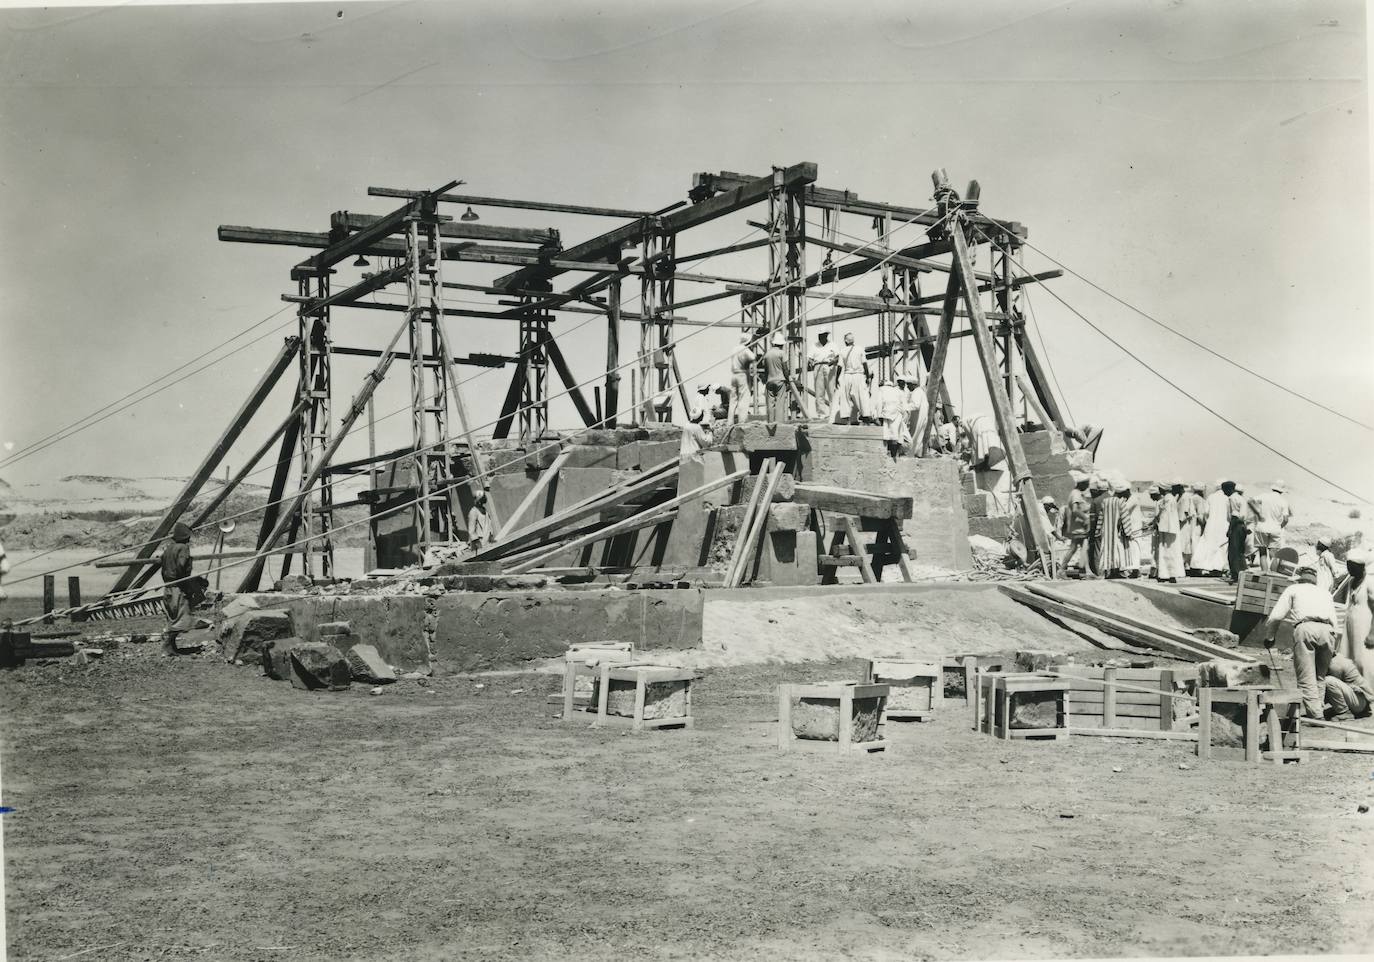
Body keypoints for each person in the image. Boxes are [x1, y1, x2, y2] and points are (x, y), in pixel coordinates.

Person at [1264, 562, 1338, 718]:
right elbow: (1335, 620)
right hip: (1328, 630)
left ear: (1299, 579)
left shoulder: (1293, 589)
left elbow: (1276, 616)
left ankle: (1316, 715)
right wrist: (1334, 642)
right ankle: (1318, 708)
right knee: (1320, 675)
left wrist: (1270, 637)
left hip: (1306, 628)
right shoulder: (1325, 593)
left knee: (1306, 676)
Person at [160, 521, 195, 657]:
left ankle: (172, 647)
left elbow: (163, 567)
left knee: (172, 617)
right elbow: (181, 567)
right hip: (178, 587)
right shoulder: (183, 548)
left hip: (168, 587)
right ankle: (167, 646)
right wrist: (187, 584)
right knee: (181, 617)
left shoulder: (169, 548)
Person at [1341, 548, 1374, 680]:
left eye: (1352, 567)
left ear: (1360, 567)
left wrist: (1372, 633)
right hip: (1350, 625)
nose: (1349, 570)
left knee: (1363, 660)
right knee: (1348, 657)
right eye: (1348, 566)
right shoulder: (1351, 581)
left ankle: (1369, 689)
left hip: (1364, 626)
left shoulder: (1370, 582)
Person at [832, 332, 872, 425]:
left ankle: (846, 416)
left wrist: (836, 379)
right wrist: (867, 376)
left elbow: (839, 366)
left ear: (845, 341)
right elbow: (865, 364)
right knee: (862, 395)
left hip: (847, 375)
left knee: (846, 396)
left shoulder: (842, 351)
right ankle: (865, 415)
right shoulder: (860, 349)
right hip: (859, 375)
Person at [1192, 480, 1230, 576]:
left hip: (1211, 524)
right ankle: (1219, 568)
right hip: (1224, 525)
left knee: (1208, 544)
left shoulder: (1211, 497)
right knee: (1222, 546)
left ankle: (1203, 566)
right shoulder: (1227, 498)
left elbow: (1206, 513)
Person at [1151, 481, 1185, 583]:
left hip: (1168, 529)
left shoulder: (1168, 499)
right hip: (1167, 529)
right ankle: (1166, 574)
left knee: (1169, 552)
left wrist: (1158, 524)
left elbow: (1166, 516)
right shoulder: (1168, 499)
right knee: (1167, 552)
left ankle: (1170, 574)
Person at [1324, 654, 1374, 721]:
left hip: (1360, 702)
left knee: (1328, 681)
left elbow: (1327, 689)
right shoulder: (1332, 658)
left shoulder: (1335, 662)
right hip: (1358, 701)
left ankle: (1345, 713)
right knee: (1326, 712)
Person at [1063, 471, 1093, 576]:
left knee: (1078, 548)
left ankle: (1086, 571)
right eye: (1087, 484)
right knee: (1077, 548)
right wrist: (1086, 518)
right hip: (1078, 527)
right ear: (1082, 484)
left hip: (1078, 527)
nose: (1088, 486)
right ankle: (1062, 570)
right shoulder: (1076, 494)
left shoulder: (1075, 493)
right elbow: (1075, 510)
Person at [1117, 479, 1145, 579]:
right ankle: (1133, 569)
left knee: (1135, 549)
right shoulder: (1128, 499)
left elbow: (1123, 510)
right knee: (1131, 550)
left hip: (1134, 528)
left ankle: (1136, 570)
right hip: (1129, 528)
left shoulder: (1133, 499)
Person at [760, 333, 791, 422]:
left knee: (770, 404)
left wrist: (766, 380)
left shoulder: (767, 354)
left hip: (770, 381)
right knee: (779, 403)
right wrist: (788, 380)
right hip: (780, 380)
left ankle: (770, 422)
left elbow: (766, 370)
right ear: (781, 344)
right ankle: (779, 423)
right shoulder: (782, 353)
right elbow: (785, 368)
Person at [809, 331, 838, 420]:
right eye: (819, 335)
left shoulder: (832, 344)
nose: (820, 337)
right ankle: (821, 414)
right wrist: (811, 362)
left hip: (829, 366)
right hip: (818, 366)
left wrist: (833, 361)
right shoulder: (814, 345)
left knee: (831, 391)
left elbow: (838, 356)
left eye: (822, 335)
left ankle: (833, 413)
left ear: (826, 336)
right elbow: (810, 358)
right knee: (819, 392)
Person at [727, 332, 756, 424]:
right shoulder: (745, 349)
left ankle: (730, 421)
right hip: (742, 374)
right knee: (743, 398)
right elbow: (753, 357)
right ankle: (742, 421)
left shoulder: (734, 349)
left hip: (734, 375)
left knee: (733, 399)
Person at [1223, 480, 1248, 582]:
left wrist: (1230, 529)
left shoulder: (1232, 498)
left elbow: (1235, 516)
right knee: (1240, 551)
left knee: (1233, 552)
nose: (1224, 493)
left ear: (1229, 489)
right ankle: (1241, 573)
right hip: (1242, 526)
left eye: (1224, 490)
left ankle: (1235, 575)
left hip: (1236, 525)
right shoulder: (1240, 498)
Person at [1086, 475, 1109, 579]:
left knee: (1098, 551)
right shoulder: (1114, 499)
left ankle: (1099, 573)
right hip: (1112, 531)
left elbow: (1092, 520)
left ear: (1099, 490)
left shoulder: (1096, 501)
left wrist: (1091, 532)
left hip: (1099, 530)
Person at [1176, 481, 1197, 572]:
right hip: (1182, 524)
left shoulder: (1185, 497)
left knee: (1184, 544)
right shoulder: (1180, 497)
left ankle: (1186, 565)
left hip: (1184, 524)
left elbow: (1185, 513)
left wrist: (1178, 521)